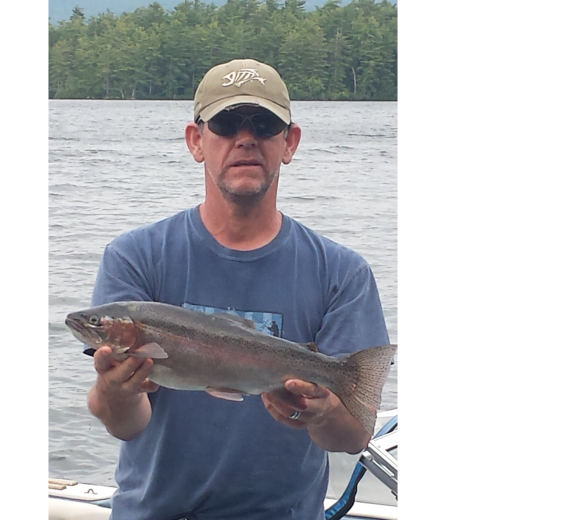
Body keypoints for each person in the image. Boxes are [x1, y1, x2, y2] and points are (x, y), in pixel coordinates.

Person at [84, 58, 391, 520]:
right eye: (226, 123)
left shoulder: (341, 272)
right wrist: (117, 392)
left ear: (289, 143)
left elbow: (351, 439)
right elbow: (126, 425)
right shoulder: (135, 256)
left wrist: (322, 411)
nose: (245, 138)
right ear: (196, 141)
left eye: (265, 124)